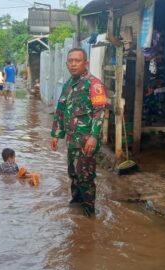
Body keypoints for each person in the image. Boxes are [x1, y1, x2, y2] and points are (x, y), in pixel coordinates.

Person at [50, 47, 107, 217]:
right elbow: (60, 109)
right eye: (70, 61)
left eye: (77, 60)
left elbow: (100, 112)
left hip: (86, 141)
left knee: (85, 177)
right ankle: (75, 209)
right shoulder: (69, 84)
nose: (73, 64)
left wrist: (94, 137)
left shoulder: (94, 84)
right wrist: (56, 134)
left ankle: (89, 215)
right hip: (71, 140)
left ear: (86, 63)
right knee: (73, 173)